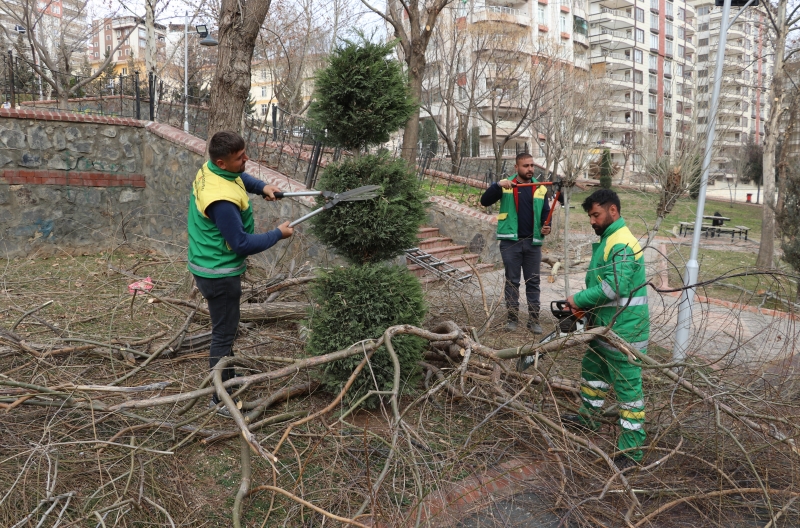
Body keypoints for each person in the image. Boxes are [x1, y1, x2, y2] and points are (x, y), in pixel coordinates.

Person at [188, 130, 294, 416]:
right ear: (222, 162)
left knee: (225, 331)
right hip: (218, 273)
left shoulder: (211, 170)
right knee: (223, 335)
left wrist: (262, 187)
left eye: (245, 152)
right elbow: (241, 243)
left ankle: (228, 384)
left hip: (206, 263)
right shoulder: (221, 203)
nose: (246, 159)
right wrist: (277, 234)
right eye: (239, 158)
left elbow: (238, 178)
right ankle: (220, 400)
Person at [564, 189, 650, 470]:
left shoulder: (622, 243)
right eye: (590, 215)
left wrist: (577, 300)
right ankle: (587, 418)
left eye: (596, 214)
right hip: (604, 328)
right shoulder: (609, 240)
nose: (592, 221)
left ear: (613, 211)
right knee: (593, 374)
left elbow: (615, 287)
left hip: (625, 333)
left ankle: (633, 450)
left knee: (629, 394)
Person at [480, 152, 551, 333]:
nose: (530, 169)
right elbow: (484, 201)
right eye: (526, 166)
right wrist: (496, 185)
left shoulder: (539, 188)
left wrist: (546, 226)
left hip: (532, 243)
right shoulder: (506, 185)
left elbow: (545, 215)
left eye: (532, 165)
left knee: (533, 281)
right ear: (516, 168)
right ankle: (512, 319)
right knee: (512, 281)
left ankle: (534, 321)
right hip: (510, 242)